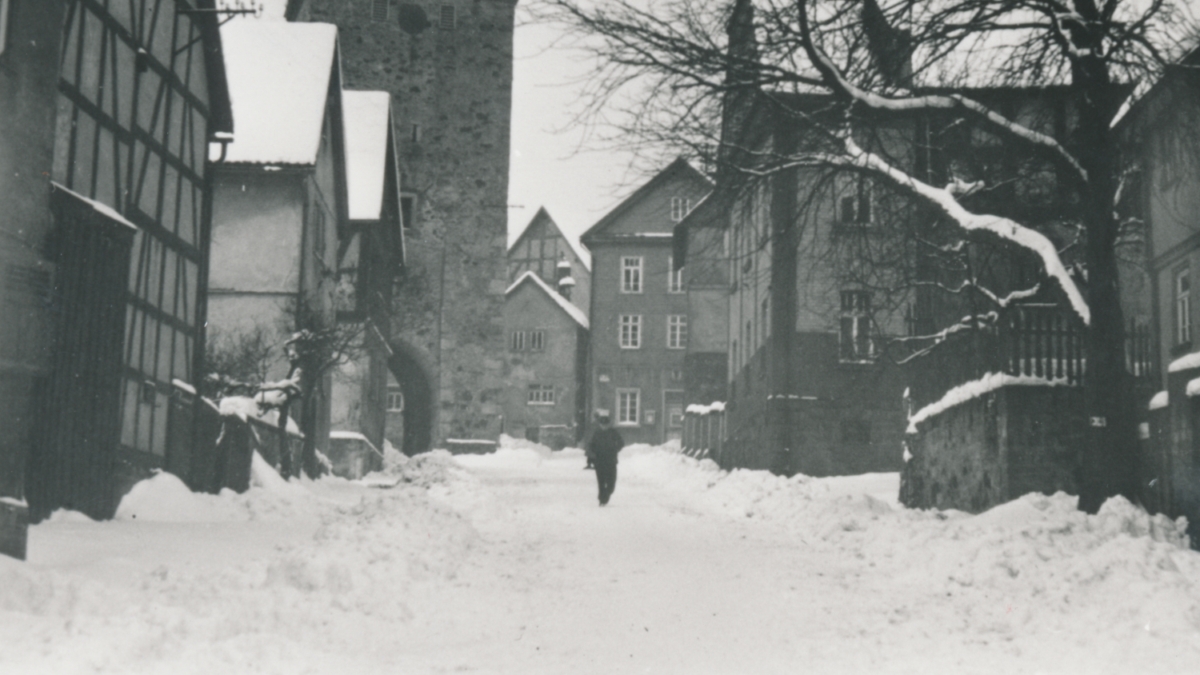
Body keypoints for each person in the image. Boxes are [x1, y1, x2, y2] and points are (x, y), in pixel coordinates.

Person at [587, 412, 625, 506]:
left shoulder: (613, 432)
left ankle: (607, 494)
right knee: (601, 481)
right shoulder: (597, 433)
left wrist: (616, 449)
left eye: (605, 424)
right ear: (600, 424)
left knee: (611, 482)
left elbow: (621, 443)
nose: (604, 426)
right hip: (599, 461)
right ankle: (602, 499)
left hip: (611, 460)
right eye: (602, 424)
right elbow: (591, 445)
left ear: (609, 424)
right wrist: (594, 454)